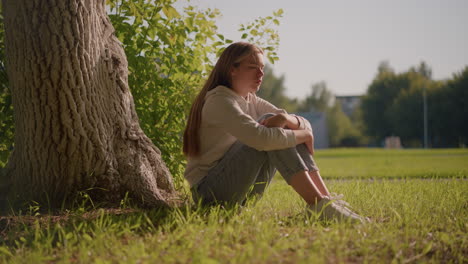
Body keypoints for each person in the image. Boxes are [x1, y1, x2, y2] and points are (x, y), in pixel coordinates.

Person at [183, 42, 368, 223]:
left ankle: (327, 202)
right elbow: (262, 139)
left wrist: (287, 119)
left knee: (279, 126)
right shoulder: (219, 101)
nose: (261, 74)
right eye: (253, 67)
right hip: (209, 194)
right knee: (272, 133)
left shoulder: (249, 99)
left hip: (238, 190)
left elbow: (302, 125)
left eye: (262, 68)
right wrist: (304, 135)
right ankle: (319, 205)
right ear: (232, 69)